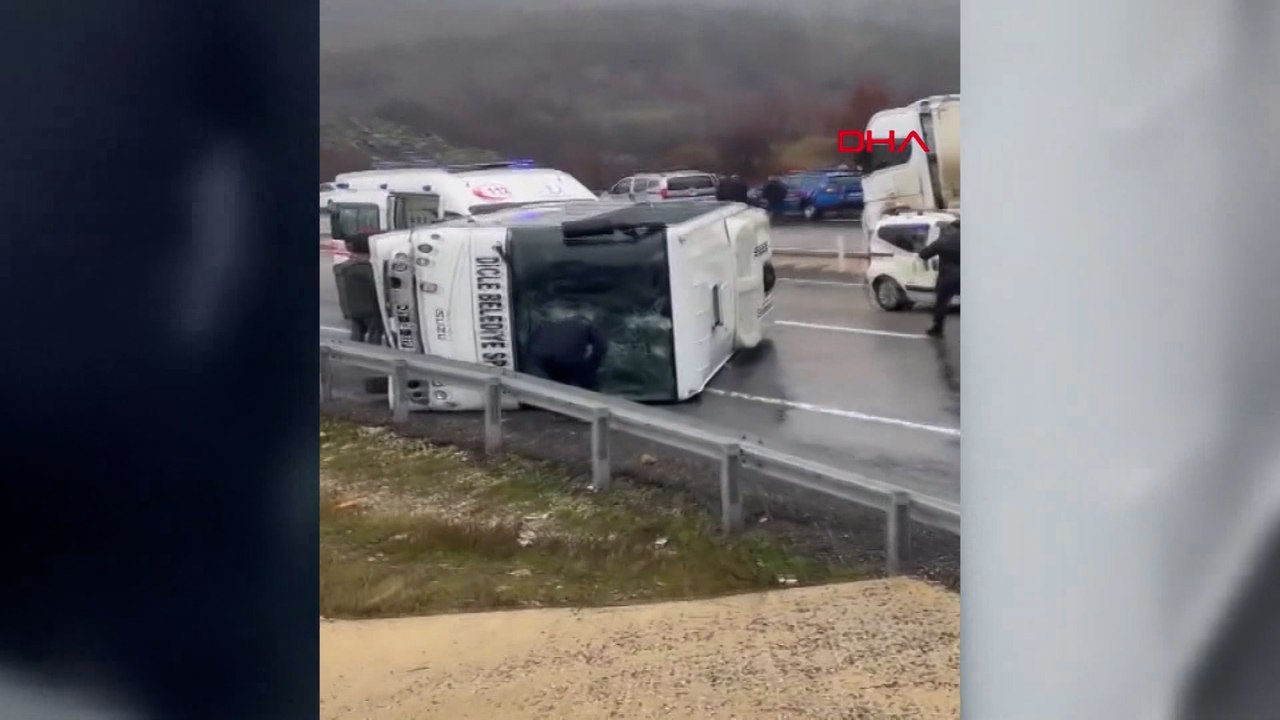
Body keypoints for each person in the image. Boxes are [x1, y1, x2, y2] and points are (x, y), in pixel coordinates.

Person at [527, 314, 609, 391]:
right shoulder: (588, 327)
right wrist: (592, 368)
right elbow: (601, 346)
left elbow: (530, 342)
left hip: (540, 357)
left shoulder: (547, 325)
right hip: (566, 360)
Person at [332, 234, 385, 345]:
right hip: (371, 310)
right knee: (375, 334)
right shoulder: (367, 269)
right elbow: (378, 286)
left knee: (357, 335)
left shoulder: (344, 268)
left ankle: (352, 351)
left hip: (353, 309)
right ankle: (372, 353)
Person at [917, 219, 961, 338]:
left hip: (947, 278)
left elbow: (924, 254)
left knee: (941, 303)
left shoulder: (944, 240)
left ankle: (937, 329)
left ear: (952, 228)